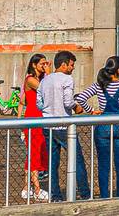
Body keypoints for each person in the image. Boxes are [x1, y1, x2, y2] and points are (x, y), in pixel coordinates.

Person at [77, 55, 119, 199]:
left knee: (103, 164)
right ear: (118, 71)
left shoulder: (100, 84)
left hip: (103, 127)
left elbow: (80, 98)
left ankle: (104, 195)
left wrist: (91, 111)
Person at [41, 50, 90, 202]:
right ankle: (84, 194)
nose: (72, 68)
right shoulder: (67, 79)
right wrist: (77, 107)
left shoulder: (45, 80)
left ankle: (55, 195)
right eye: (71, 65)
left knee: (53, 163)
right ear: (63, 65)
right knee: (77, 159)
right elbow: (68, 101)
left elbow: (38, 102)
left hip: (48, 124)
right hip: (63, 125)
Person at [21, 54, 49, 202]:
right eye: (42, 64)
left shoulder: (42, 79)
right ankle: (36, 189)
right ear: (34, 65)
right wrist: (49, 74)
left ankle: (26, 187)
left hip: (41, 117)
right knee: (34, 153)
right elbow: (46, 90)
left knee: (36, 152)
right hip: (32, 118)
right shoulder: (30, 80)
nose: (45, 66)